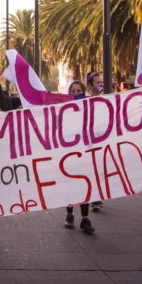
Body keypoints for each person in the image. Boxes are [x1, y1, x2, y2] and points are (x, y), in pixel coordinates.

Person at [63, 80, 94, 234]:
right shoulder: (63, 109)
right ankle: (69, 214)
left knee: (84, 184)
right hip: (68, 152)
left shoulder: (88, 107)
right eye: (73, 92)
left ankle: (85, 218)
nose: (76, 94)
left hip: (85, 150)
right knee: (70, 184)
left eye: (78, 91)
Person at [86, 72, 106, 212]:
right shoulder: (85, 99)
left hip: (101, 139)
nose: (100, 84)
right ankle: (94, 198)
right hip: (88, 140)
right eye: (97, 82)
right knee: (91, 169)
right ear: (90, 85)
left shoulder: (107, 99)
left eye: (101, 82)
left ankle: (97, 196)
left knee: (100, 170)